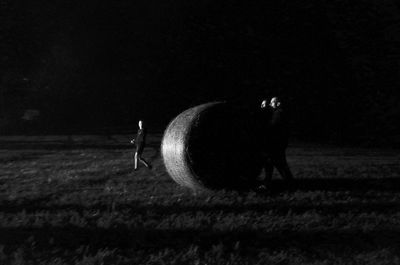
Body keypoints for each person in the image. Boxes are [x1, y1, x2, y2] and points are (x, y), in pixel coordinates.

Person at [259, 97, 294, 183]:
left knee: (279, 163)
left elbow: (273, 127)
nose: (270, 104)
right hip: (276, 144)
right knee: (271, 163)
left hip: (276, 144)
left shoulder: (278, 113)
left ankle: (289, 182)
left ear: (278, 104)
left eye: (272, 102)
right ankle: (268, 180)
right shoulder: (277, 113)